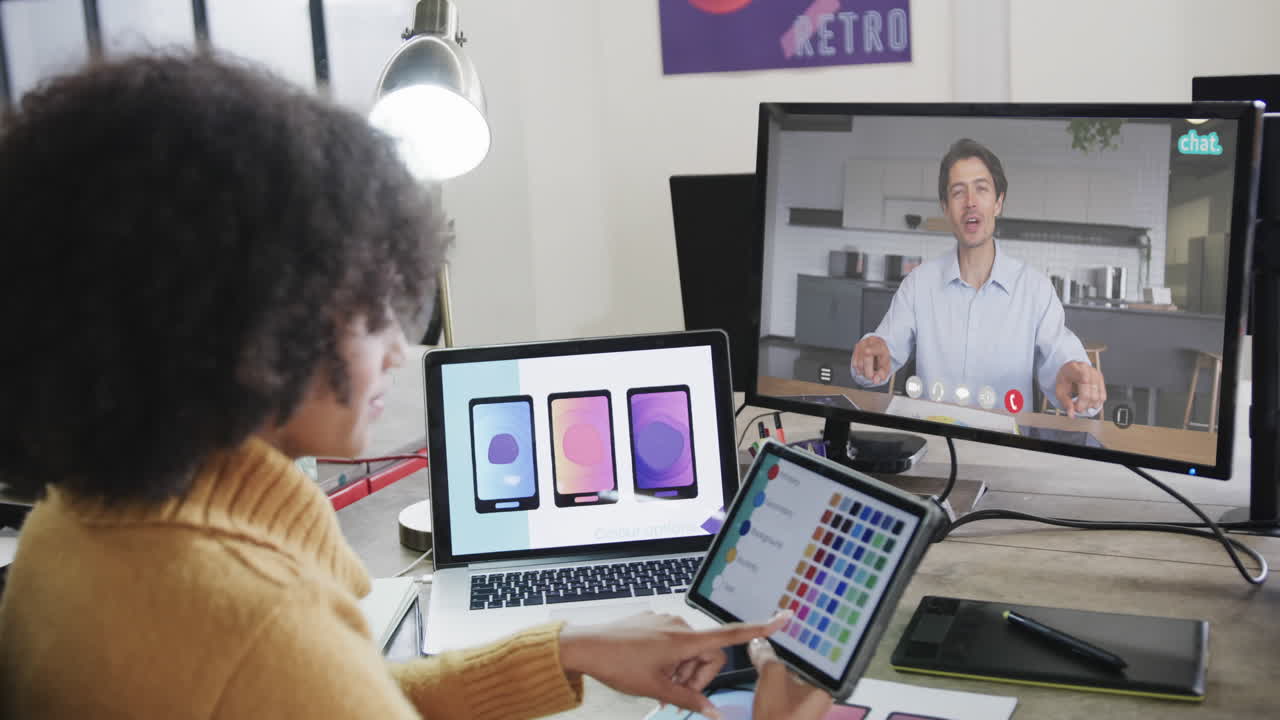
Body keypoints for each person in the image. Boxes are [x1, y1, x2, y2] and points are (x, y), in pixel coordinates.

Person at [0, 55, 833, 720]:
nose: (402, 349)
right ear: (242, 316)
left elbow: (347, 696)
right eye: (369, 308)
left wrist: (568, 649)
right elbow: (300, 681)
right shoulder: (254, 629)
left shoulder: (69, 525)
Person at [850, 138, 1106, 417]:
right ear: (946, 208)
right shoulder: (918, 284)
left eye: (981, 189)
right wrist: (870, 356)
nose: (970, 202)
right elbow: (880, 355)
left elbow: (1063, 362)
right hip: (932, 445)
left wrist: (1076, 380)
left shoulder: (1035, 290)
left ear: (998, 202)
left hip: (1007, 451)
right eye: (958, 192)